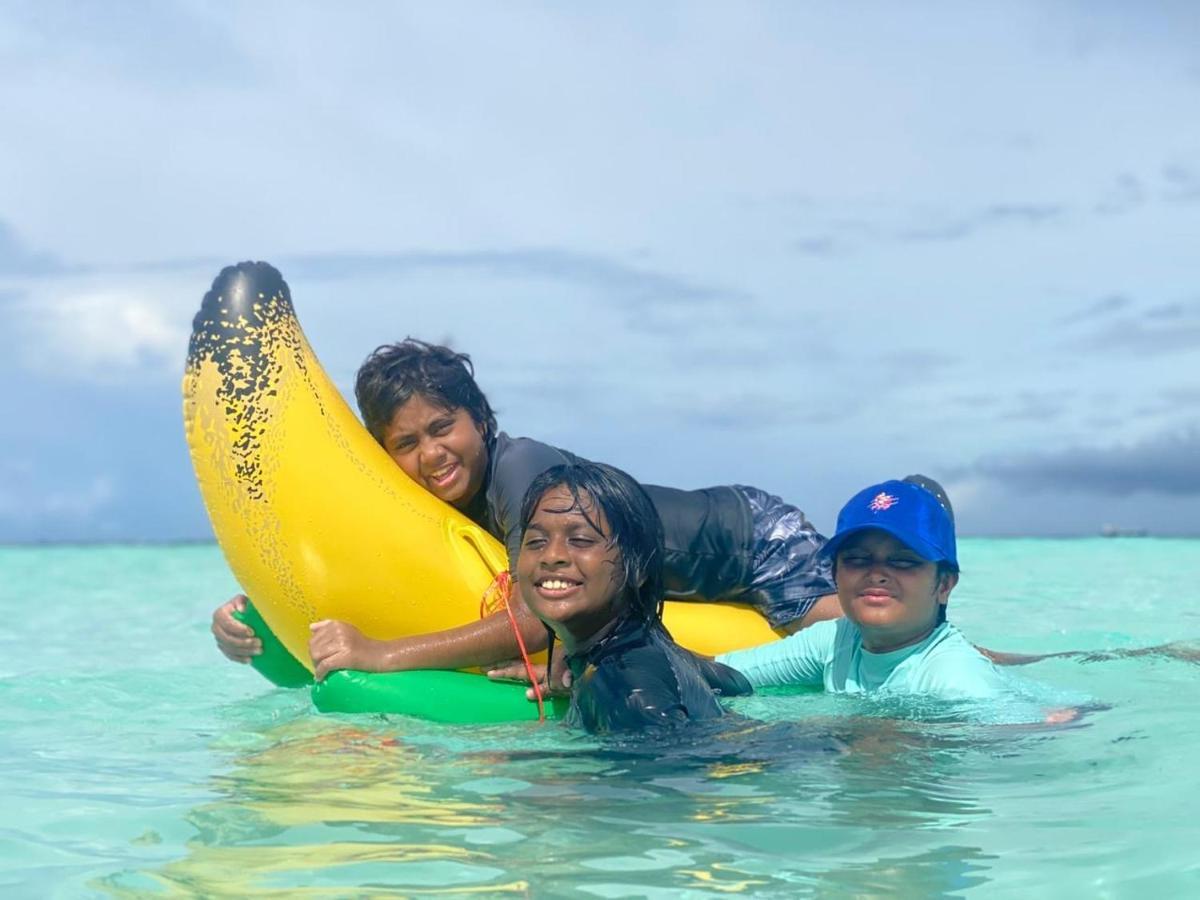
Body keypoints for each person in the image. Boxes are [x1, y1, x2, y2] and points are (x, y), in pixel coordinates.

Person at [212, 339, 841, 679]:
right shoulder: (426, 506)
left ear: (480, 419)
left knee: (856, 658)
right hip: (668, 583)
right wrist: (259, 617)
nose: (431, 455)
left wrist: (381, 653)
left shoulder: (523, 471)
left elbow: (537, 620)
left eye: (442, 427)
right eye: (405, 444)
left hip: (750, 545)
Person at [716, 477, 1028, 703]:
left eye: (903, 561)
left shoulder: (954, 681)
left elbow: (1011, 745)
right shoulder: (838, 638)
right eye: (857, 559)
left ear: (944, 584)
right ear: (834, 574)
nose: (876, 573)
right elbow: (722, 674)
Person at [515, 461, 752, 733]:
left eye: (580, 540)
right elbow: (737, 682)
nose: (552, 556)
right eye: (536, 541)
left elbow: (661, 764)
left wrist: (532, 766)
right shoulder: (657, 649)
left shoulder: (621, 687)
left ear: (638, 568)